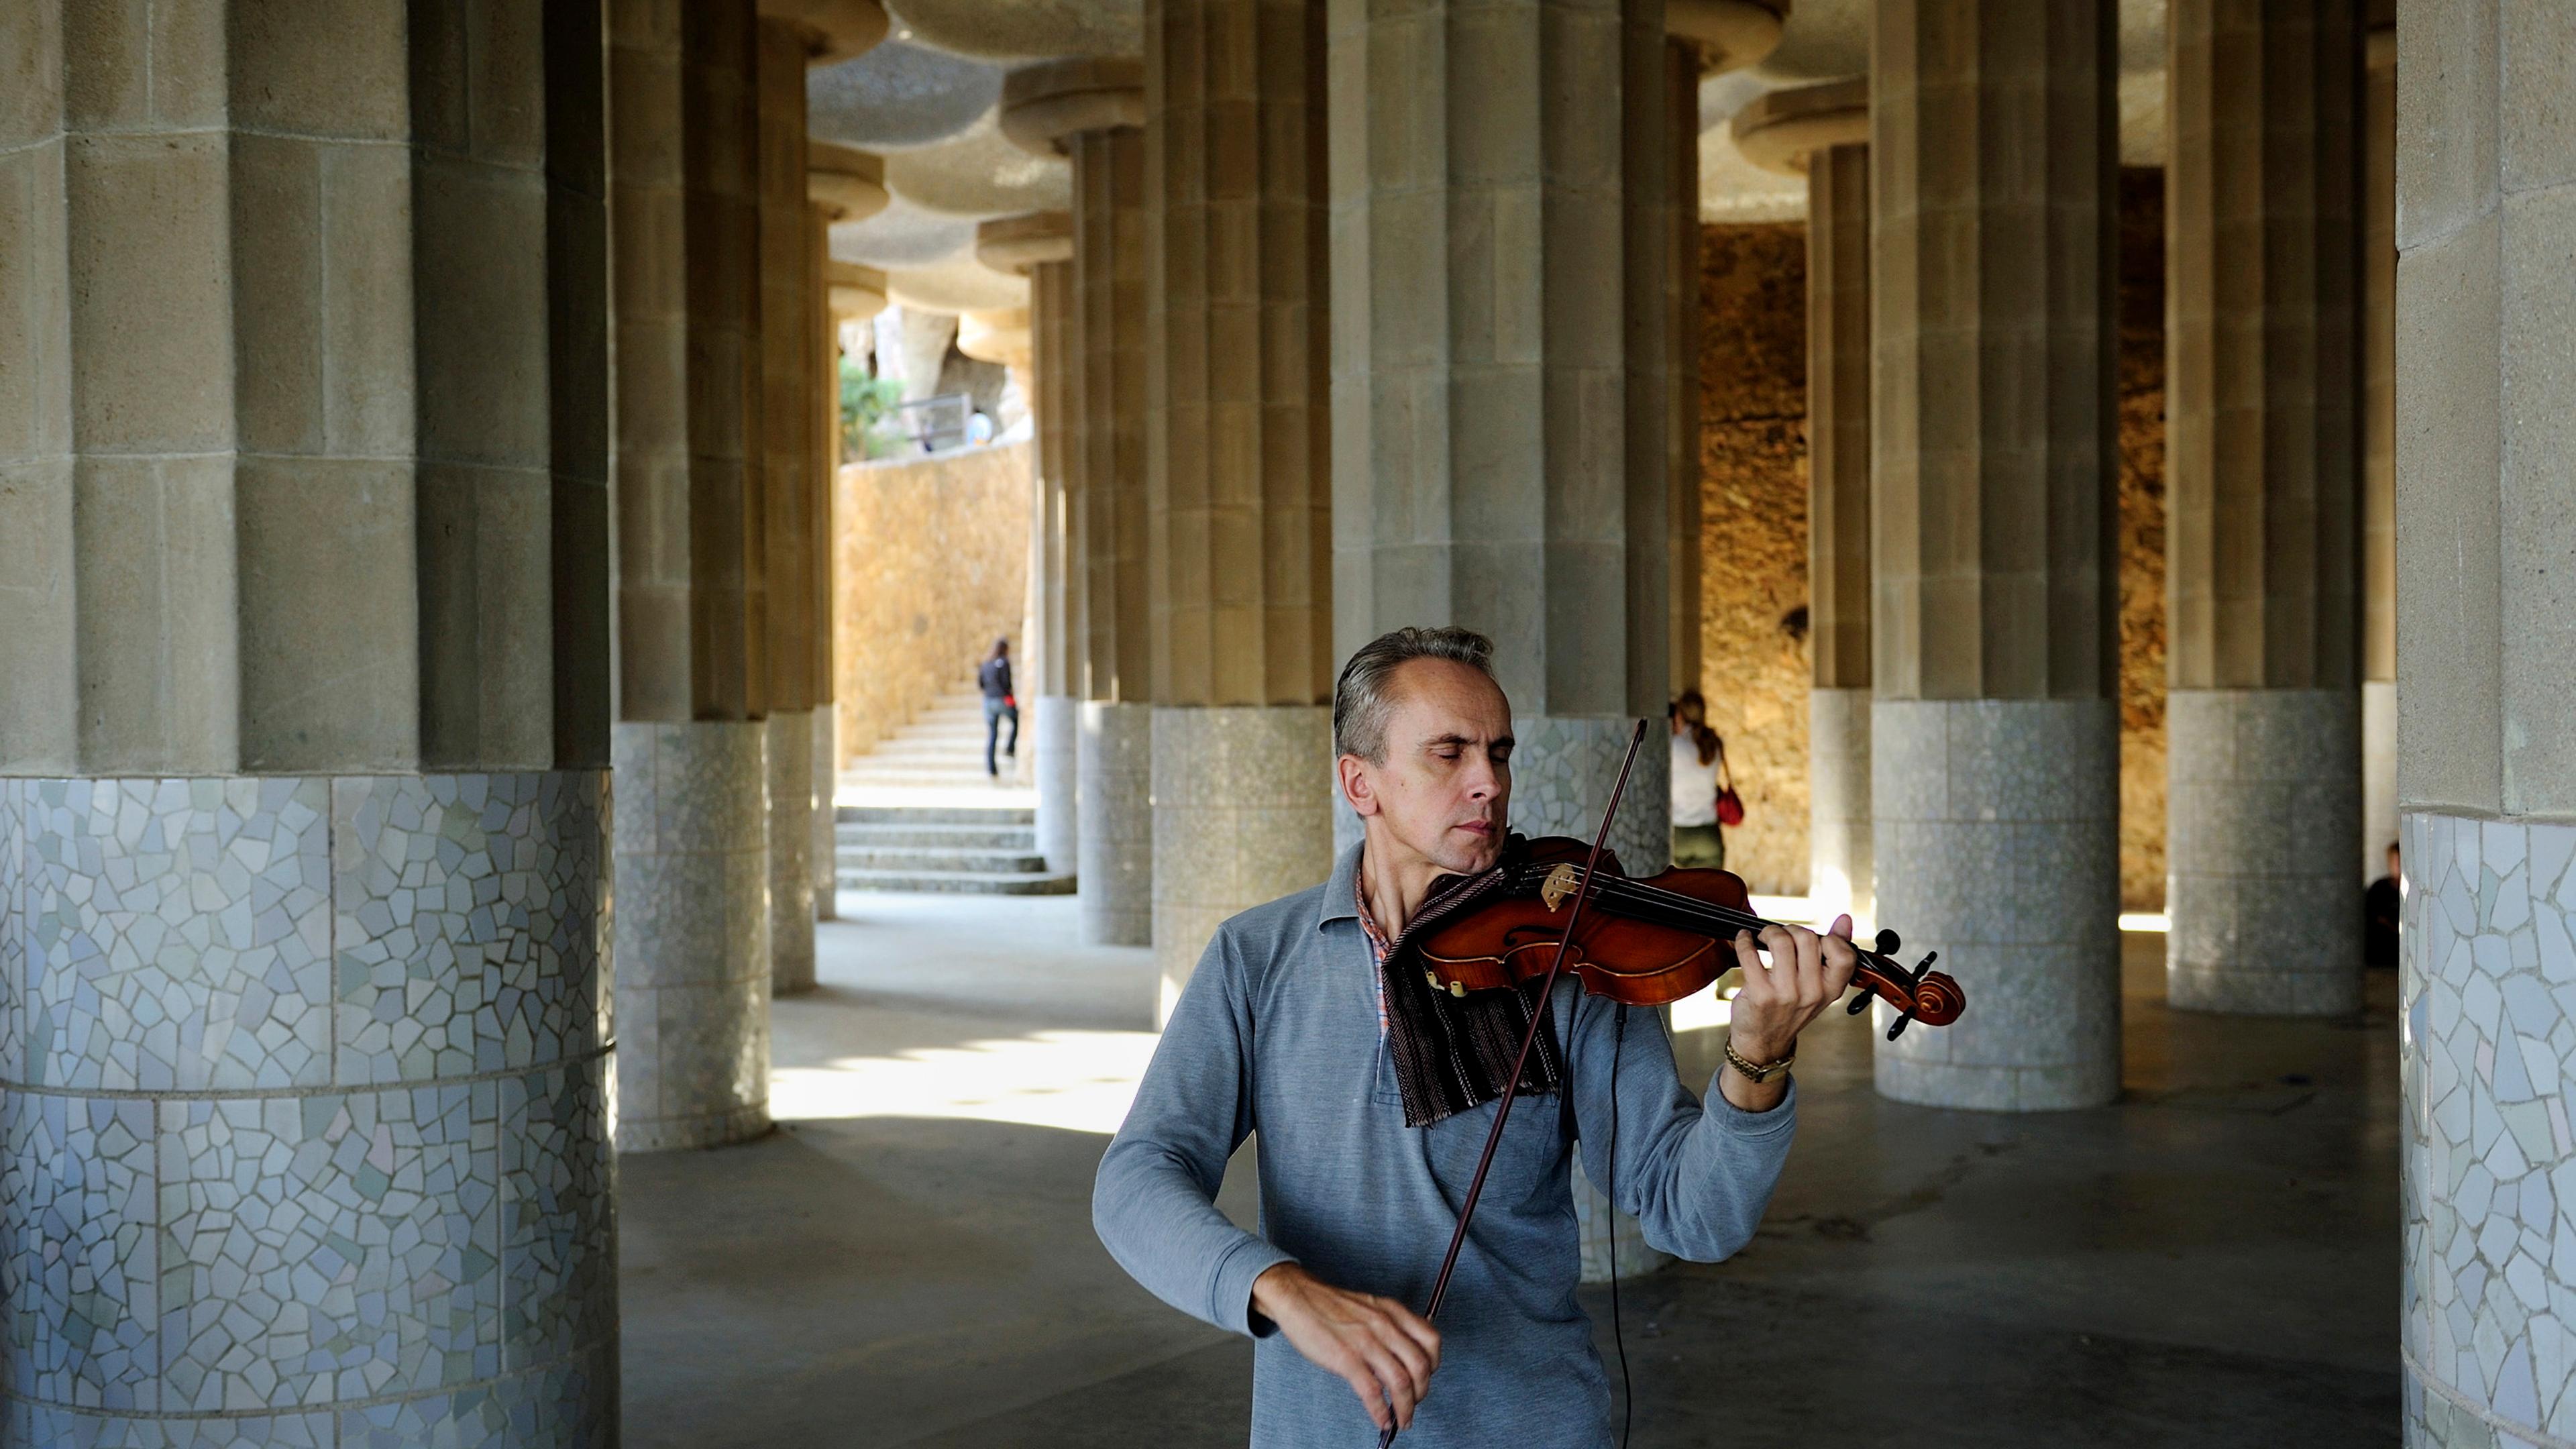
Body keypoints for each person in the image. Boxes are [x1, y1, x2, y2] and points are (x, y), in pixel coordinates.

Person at [1093, 626, 1858, 1446]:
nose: (1487, 782)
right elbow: (1136, 1179)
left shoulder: (1568, 957)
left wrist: (1758, 1060)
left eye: (1499, 752)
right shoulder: (1256, 957)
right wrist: (1277, 1288)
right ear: (1362, 783)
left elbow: (1690, 1215)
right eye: (1447, 754)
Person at [1668, 690, 1727, 869]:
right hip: (1709, 833)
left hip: (1680, 833)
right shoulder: (1714, 745)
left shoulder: (1674, 746)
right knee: (1710, 895)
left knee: (1682, 894)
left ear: (1680, 715)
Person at [977, 637, 1018, 777]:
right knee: (1016, 720)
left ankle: (991, 768)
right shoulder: (1004, 662)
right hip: (1001, 699)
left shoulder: (986, 663)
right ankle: (1010, 748)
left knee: (993, 735)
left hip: (988, 702)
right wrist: (1010, 698)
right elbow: (1007, 683)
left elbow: (981, 684)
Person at [2365, 839, 2401, 969]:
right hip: (2380, 955)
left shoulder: (2417, 891)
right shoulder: (2379, 889)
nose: (2399, 866)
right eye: (2396, 862)